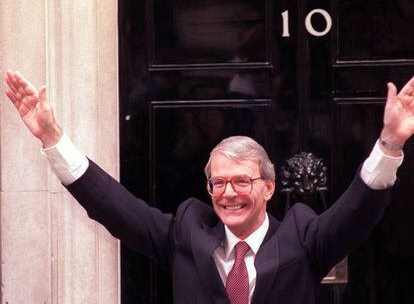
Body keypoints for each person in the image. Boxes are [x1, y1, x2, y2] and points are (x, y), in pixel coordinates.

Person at [3, 69, 414, 304]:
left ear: (268, 188)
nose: (229, 193)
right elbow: (112, 205)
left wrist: (390, 142)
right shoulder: (185, 235)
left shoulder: (304, 238)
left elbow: (360, 209)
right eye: (219, 182)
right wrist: (52, 137)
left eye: (241, 181)